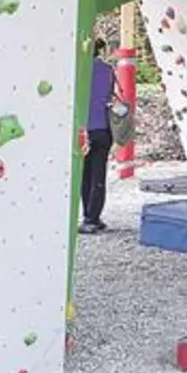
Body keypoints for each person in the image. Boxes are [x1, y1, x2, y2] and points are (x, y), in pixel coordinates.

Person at [80, 39, 118, 234]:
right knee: (98, 174)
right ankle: (93, 217)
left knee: (84, 175)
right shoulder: (108, 70)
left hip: (82, 129)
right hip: (103, 128)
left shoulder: (78, 71)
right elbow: (110, 95)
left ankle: (88, 216)